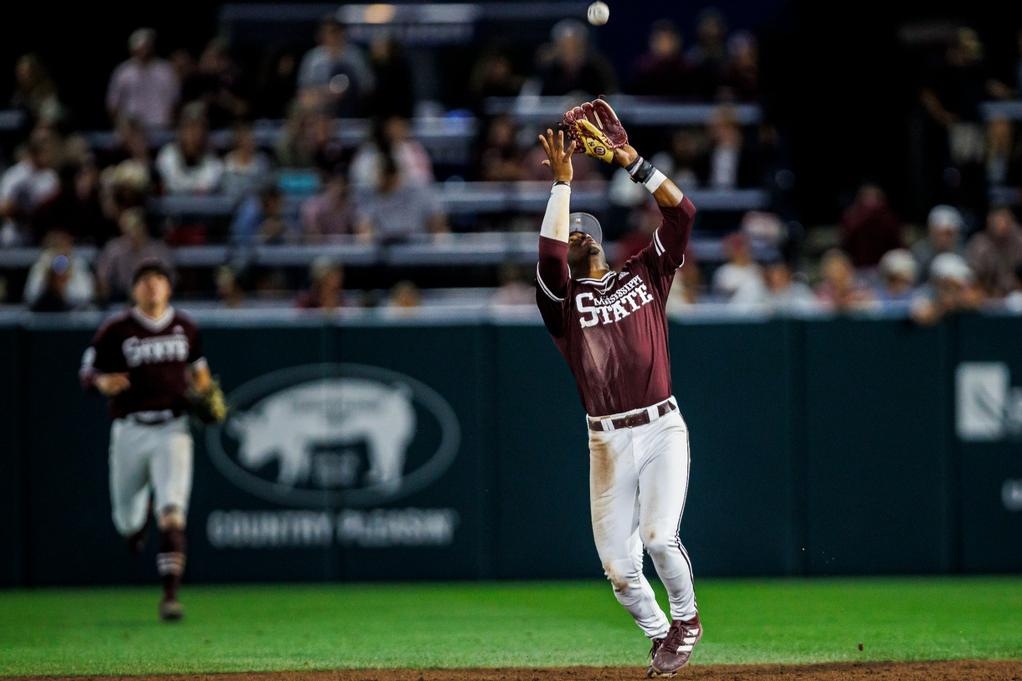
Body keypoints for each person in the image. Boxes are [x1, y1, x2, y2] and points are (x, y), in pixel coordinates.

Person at [535, 100, 702, 677]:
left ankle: (687, 620)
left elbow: (682, 215)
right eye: (573, 235)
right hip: (606, 442)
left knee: (659, 537)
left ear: (601, 240)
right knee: (620, 571)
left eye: (586, 232)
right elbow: (550, 258)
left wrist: (632, 161)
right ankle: (661, 635)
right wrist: (563, 186)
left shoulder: (643, 273)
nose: (578, 238)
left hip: (660, 426)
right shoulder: (562, 306)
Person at [79, 259, 223, 621]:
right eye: (144, 280)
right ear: (134, 289)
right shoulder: (116, 328)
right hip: (130, 429)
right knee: (126, 522)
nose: (152, 286)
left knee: (173, 511)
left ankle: (170, 597)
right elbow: (87, 370)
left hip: (172, 429)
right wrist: (100, 382)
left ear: (169, 287)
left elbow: (199, 370)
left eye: (159, 279)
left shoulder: (185, 327)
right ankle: (136, 523)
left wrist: (204, 391)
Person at [355, 155, 447, 243]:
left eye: (387, 175)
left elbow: (439, 227)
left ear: (395, 174)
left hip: (419, 250)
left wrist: (436, 248)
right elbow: (364, 230)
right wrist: (366, 238)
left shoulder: (420, 189)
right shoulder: (371, 193)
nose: (380, 180)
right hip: (382, 253)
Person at [297, 15, 374, 115]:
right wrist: (325, 92)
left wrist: (347, 90)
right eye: (327, 32)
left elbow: (368, 85)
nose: (331, 36)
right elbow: (303, 88)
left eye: (335, 32)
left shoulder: (355, 55)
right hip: (321, 105)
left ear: (342, 33)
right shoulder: (313, 58)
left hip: (352, 102)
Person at [95, 208, 174, 302]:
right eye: (127, 228)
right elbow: (102, 277)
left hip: (151, 295)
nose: (132, 232)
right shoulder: (114, 248)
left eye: (135, 227)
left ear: (143, 227)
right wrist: (105, 299)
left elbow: (169, 278)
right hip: (120, 296)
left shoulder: (158, 250)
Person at [106, 28, 179, 129]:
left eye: (146, 47)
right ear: (133, 49)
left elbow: (174, 101)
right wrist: (119, 127)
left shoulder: (165, 70)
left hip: (161, 125)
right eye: (140, 48)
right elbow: (113, 104)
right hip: (132, 127)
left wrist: (171, 124)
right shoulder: (123, 72)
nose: (144, 51)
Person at [0, 128, 60, 246]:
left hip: (42, 237)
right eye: (43, 149)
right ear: (33, 151)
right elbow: (3, 207)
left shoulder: (50, 177)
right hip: (14, 237)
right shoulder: (16, 174)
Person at [154, 104, 224, 195]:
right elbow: (169, 187)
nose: (193, 135)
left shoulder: (213, 162)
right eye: (189, 128)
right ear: (180, 132)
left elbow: (206, 189)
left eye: (198, 129)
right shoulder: (167, 155)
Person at [536, 20, 616, 97]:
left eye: (576, 47)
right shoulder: (548, 72)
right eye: (565, 48)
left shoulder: (597, 70)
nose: (571, 53)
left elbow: (611, 98)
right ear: (557, 48)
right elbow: (540, 103)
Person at [23, 231, 95, 311]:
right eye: (56, 246)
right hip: (46, 313)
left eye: (63, 245)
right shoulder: (41, 264)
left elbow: (85, 296)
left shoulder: (78, 264)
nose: (60, 249)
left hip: (74, 315)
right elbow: (31, 296)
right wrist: (48, 283)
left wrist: (65, 288)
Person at [839, 184, 903, 268]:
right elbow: (846, 242)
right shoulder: (852, 217)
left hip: (884, 266)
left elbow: (896, 242)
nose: (871, 202)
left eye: (874, 197)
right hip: (859, 266)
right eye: (868, 197)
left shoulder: (888, 218)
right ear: (861, 198)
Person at [911, 252, 984, 325]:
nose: (957, 288)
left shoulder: (963, 293)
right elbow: (922, 315)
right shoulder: (925, 294)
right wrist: (941, 306)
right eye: (951, 285)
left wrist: (956, 301)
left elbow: (976, 299)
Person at [966, 206, 1022, 298]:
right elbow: (974, 278)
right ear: (989, 222)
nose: (1002, 225)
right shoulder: (979, 244)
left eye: (1005, 220)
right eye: (998, 221)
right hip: (988, 295)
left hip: (1017, 292)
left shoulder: (1019, 239)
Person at [629, 20, 691, 97]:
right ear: (652, 42)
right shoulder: (642, 71)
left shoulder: (689, 71)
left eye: (668, 40)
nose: (664, 45)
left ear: (677, 42)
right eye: (659, 40)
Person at [221, 124, 273, 198]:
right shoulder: (228, 160)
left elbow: (266, 185)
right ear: (238, 142)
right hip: (232, 198)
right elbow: (225, 185)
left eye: (250, 139)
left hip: (255, 200)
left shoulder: (262, 161)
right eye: (244, 139)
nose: (248, 142)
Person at [912, 205, 965, 275]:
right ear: (931, 232)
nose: (944, 239)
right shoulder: (920, 253)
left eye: (948, 234)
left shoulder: (963, 252)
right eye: (939, 234)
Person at [711, 232, 761, 299]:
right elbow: (724, 294)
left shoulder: (757, 268)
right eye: (737, 249)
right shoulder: (723, 271)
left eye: (743, 247)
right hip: (733, 308)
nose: (741, 252)